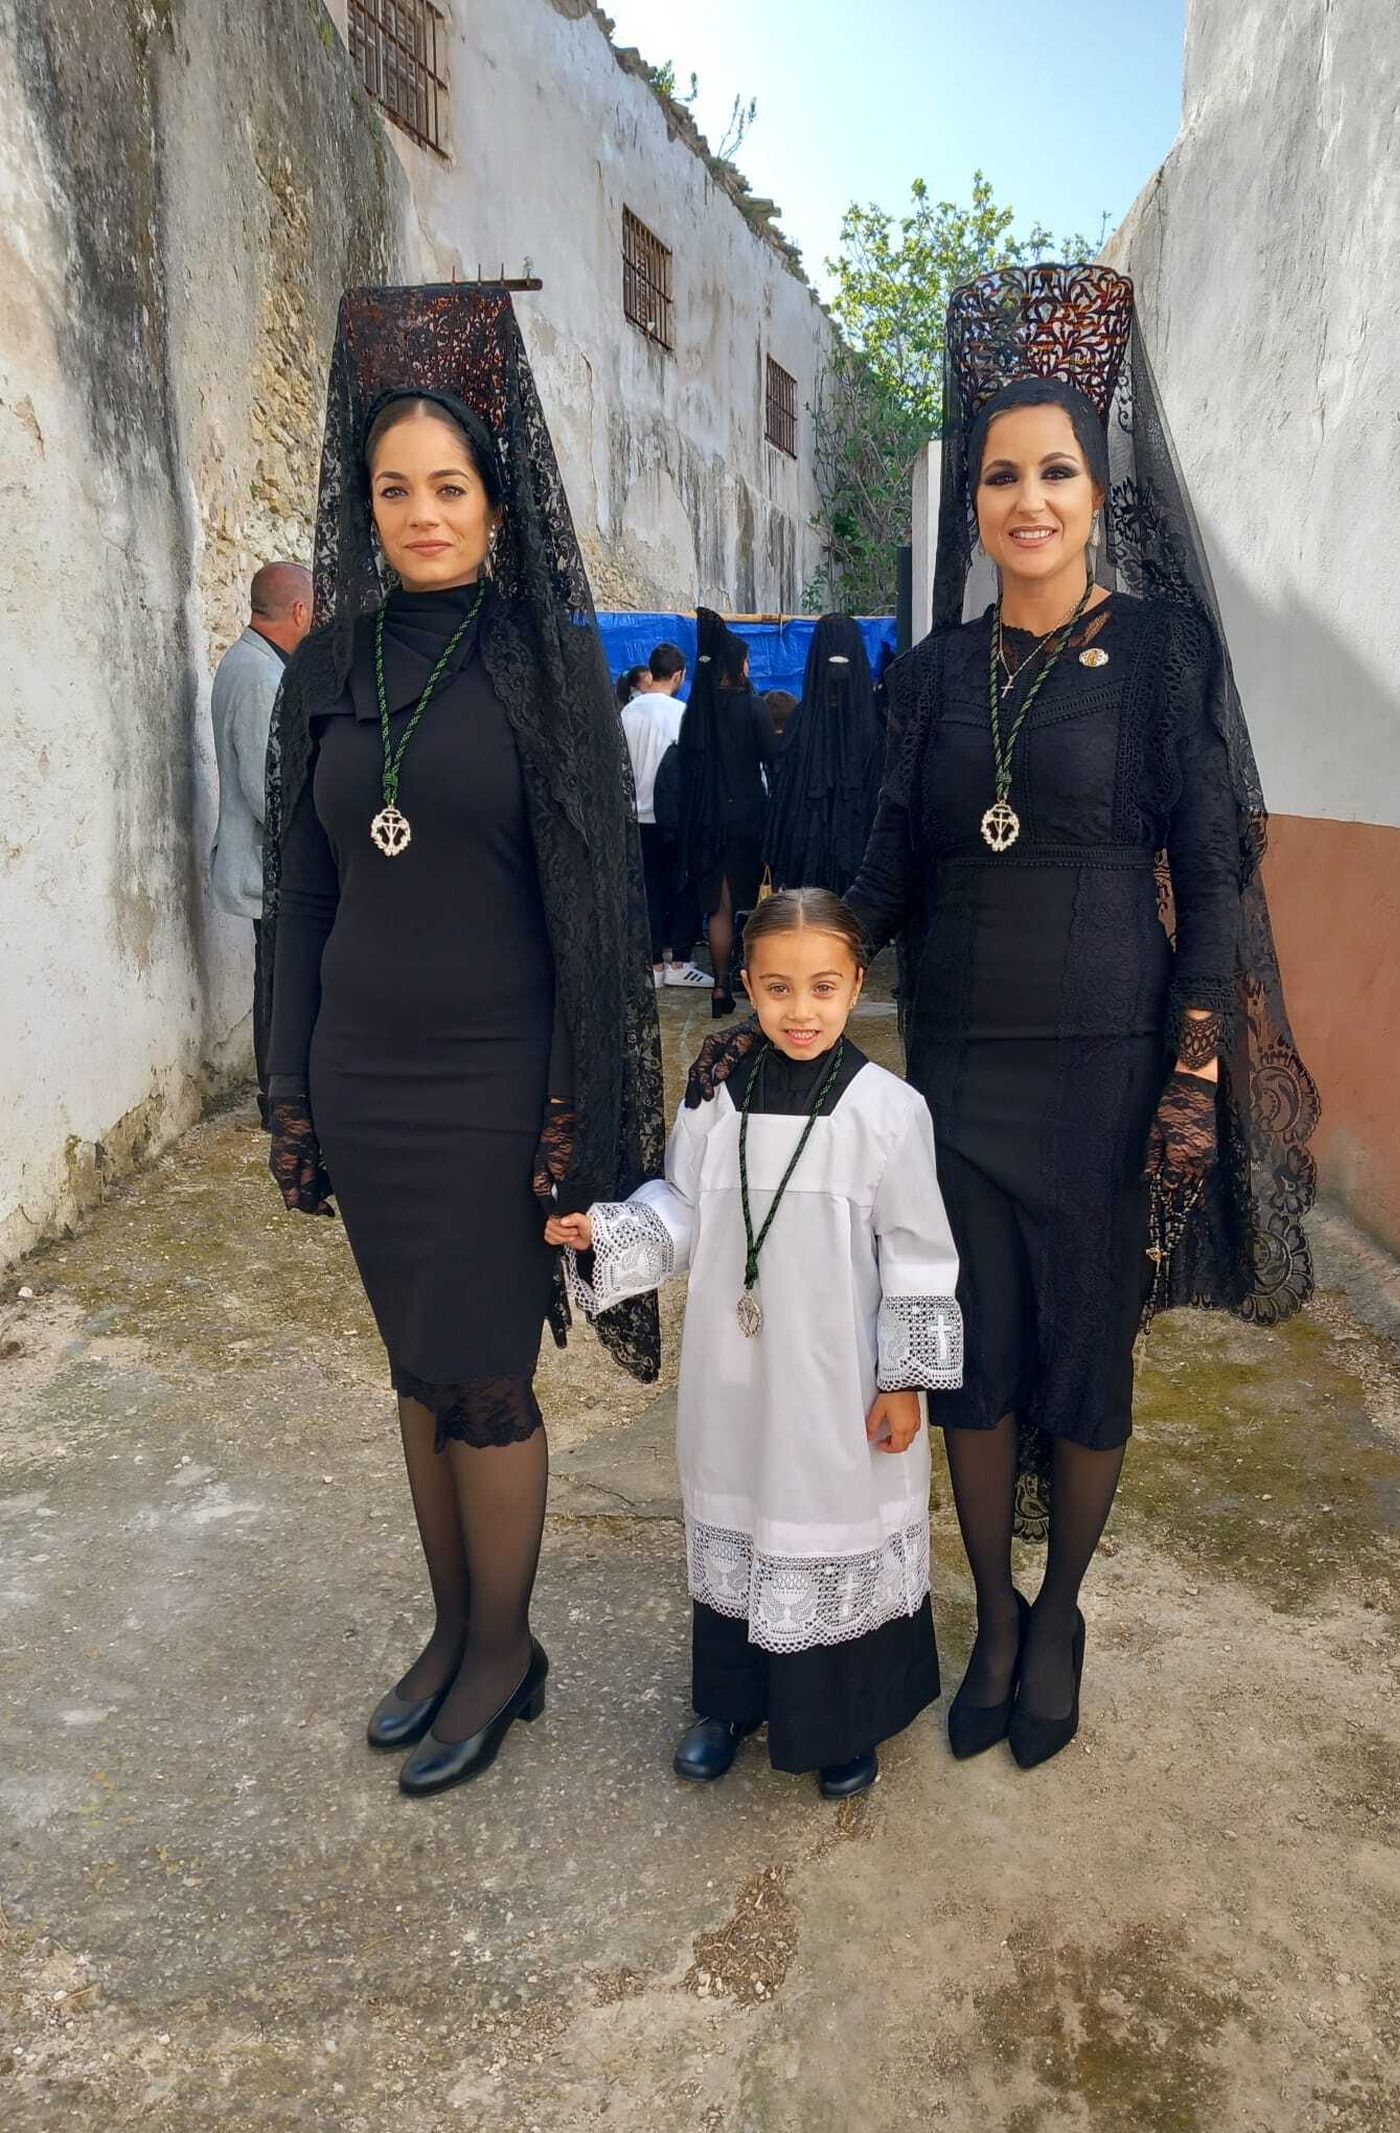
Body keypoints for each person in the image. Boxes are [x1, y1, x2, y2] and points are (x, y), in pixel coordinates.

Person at [689, 264, 1319, 1772]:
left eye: (1055, 471)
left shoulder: (1165, 656)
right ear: (971, 502)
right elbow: (889, 867)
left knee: (1085, 1362)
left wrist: (1195, 1067)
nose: (1027, 499)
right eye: (999, 475)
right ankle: (988, 1607)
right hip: (958, 1076)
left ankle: (1063, 1610)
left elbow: (1217, 877)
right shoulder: (943, 673)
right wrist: (786, 984)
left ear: (1100, 490)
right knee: (968, 1357)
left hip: (1109, 1072)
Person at [259, 284, 663, 1798]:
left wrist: (575, 1109)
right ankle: (454, 1630)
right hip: (365, 1077)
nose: (422, 515)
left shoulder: (552, 673)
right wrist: (289, 1086)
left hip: (501, 1086)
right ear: (364, 509)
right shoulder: (327, 669)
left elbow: (599, 924)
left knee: (488, 1375)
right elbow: (302, 895)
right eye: (393, 491)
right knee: (418, 1373)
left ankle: (506, 1652)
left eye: (450, 487)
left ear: (498, 500)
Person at [548, 889, 961, 1796]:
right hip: (736, 1372)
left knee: (829, 1518)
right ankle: (729, 1701)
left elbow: (922, 1255)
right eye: (777, 988)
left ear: (857, 985)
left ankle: (844, 1718)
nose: (800, 1010)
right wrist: (612, 1232)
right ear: (747, 985)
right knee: (740, 1513)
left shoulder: (888, 1113)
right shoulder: (718, 1103)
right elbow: (685, 1207)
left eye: (822, 987)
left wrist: (906, 1381)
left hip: (838, 1378)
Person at [209, 560, 312, 1119]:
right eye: (312, 614)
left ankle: (279, 1095)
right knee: (279, 977)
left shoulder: (249, 663)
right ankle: (278, 1101)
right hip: (267, 866)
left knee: (275, 973)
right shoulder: (260, 676)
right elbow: (265, 785)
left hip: (264, 864)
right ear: (298, 611)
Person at [675, 608, 777, 1015]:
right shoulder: (752, 708)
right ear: (738, 667)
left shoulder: (695, 712)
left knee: (718, 907)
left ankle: (719, 985)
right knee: (749, 907)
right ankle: (752, 983)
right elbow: (772, 760)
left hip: (704, 821)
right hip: (746, 818)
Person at [765, 613, 884, 896]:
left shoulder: (799, 723)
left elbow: (783, 795)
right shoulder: (874, 726)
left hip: (806, 858)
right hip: (861, 857)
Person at [619, 659, 712, 990]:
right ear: (678, 675)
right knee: (682, 887)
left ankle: (654, 965)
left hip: (633, 816)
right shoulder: (680, 713)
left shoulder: (627, 712)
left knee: (647, 890)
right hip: (672, 818)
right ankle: (680, 962)